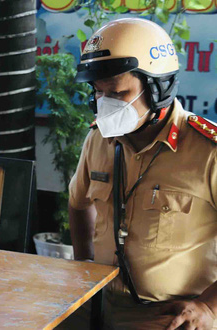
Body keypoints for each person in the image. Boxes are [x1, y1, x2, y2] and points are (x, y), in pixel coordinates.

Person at [68, 18, 217, 329]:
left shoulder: (208, 152)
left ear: (158, 87)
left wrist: (209, 307)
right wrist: (83, 266)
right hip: (101, 302)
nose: (105, 104)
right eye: (98, 92)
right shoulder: (98, 140)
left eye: (118, 93)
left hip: (175, 315)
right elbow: (78, 203)